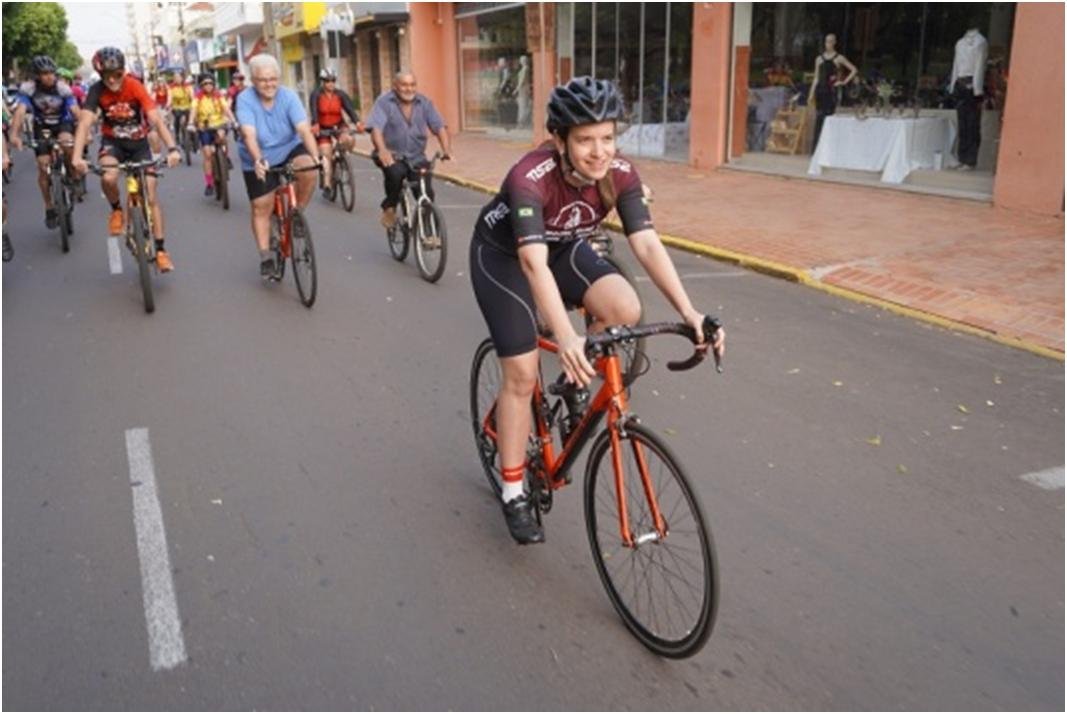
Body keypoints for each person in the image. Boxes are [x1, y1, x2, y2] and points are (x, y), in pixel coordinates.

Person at [468, 77, 725, 544]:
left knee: (624, 306)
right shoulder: (529, 177)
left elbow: (645, 244)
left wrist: (691, 313)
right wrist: (566, 336)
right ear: (559, 140)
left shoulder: (620, 174)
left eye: (607, 137)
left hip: (562, 248)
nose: (598, 151)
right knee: (523, 375)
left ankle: (568, 385)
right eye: (585, 139)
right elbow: (531, 261)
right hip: (505, 257)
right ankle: (512, 490)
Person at [72, 46, 182, 272]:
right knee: (109, 177)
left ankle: (161, 250)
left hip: (139, 144)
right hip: (113, 144)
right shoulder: (96, 91)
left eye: (117, 74)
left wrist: (172, 148)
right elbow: (84, 123)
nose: (113, 80)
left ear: (124, 71)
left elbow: (155, 119)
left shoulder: (134, 86)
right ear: (100, 75)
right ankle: (117, 210)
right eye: (107, 76)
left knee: (150, 195)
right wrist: (76, 157)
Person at [234, 54, 321, 278]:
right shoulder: (244, 99)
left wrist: (317, 156)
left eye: (273, 79)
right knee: (262, 205)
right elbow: (248, 134)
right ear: (253, 80)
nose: (269, 84)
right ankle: (265, 257)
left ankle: (297, 213)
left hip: (288, 147)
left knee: (308, 167)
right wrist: (258, 159)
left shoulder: (289, 96)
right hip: (258, 154)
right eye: (263, 80)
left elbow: (303, 129)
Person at [365, 70, 452, 229]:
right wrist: (383, 150)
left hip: (416, 157)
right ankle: (389, 206)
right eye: (404, 85)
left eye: (412, 85)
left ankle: (426, 232)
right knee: (396, 174)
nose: (409, 89)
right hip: (392, 154)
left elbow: (439, 127)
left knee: (426, 193)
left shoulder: (424, 103)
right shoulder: (385, 102)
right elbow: (376, 129)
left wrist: (446, 150)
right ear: (395, 86)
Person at [9, 55, 81, 228]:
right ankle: (49, 206)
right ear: (37, 76)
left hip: (62, 123)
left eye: (51, 73)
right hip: (42, 127)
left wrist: (84, 132)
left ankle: (72, 173)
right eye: (44, 74)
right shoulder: (29, 89)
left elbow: (75, 110)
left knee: (66, 143)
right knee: (43, 166)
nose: (49, 77)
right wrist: (14, 134)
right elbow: (20, 112)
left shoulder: (63, 88)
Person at [308, 67, 360, 195]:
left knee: (349, 139)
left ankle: (342, 158)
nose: (330, 83)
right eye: (327, 81)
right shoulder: (316, 95)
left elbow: (350, 110)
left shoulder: (340, 94)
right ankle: (327, 184)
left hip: (338, 125)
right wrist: (315, 124)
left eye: (332, 80)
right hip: (322, 127)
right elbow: (314, 111)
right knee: (326, 155)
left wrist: (357, 122)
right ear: (322, 82)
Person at [807, 33, 857, 147]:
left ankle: (828, 146)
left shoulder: (839, 58)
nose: (828, 44)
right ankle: (816, 147)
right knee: (819, 118)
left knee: (829, 118)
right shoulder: (819, 59)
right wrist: (811, 94)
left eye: (830, 41)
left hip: (831, 91)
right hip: (820, 90)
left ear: (834, 43)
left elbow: (853, 69)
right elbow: (816, 78)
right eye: (826, 41)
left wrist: (843, 82)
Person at [191, 74, 236, 196]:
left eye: (210, 83)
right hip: (204, 127)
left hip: (219, 124)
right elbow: (193, 110)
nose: (208, 86)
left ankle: (225, 156)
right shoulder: (197, 97)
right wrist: (190, 122)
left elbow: (226, 109)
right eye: (205, 83)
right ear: (201, 86)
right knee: (207, 154)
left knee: (222, 136)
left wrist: (233, 120)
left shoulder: (218, 95)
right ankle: (209, 183)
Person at [168, 71, 194, 147]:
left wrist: (193, 103)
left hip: (187, 107)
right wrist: (168, 105)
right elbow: (170, 98)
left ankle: (192, 139)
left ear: (182, 78)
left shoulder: (188, 86)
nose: (177, 79)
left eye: (179, 77)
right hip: (177, 108)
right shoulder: (171, 87)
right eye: (175, 78)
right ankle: (177, 136)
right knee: (177, 120)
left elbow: (192, 97)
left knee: (191, 121)